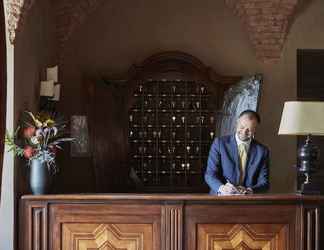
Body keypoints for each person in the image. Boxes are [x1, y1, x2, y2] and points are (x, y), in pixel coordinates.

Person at [205, 110, 269, 195]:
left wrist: (250, 190)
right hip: (220, 198)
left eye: (249, 130)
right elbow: (210, 174)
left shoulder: (262, 151)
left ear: (255, 130)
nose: (244, 132)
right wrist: (222, 188)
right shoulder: (219, 144)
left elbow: (264, 183)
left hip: (248, 201)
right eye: (242, 127)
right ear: (237, 123)